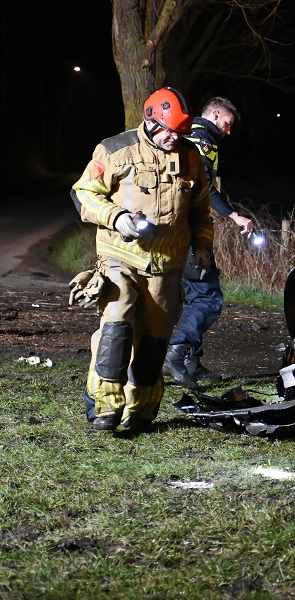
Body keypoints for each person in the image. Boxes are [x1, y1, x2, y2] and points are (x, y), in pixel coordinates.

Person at [71, 86, 214, 433]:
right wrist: (116, 217)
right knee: (117, 327)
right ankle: (105, 408)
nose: (172, 138)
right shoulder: (115, 149)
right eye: (167, 130)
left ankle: (141, 410)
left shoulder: (191, 156)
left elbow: (200, 212)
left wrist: (202, 246)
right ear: (150, 120)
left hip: (167, 264)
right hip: (119, 258)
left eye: (179, 132)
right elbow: (83, 192)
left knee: (154, 339)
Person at [162, 96, 255, 389]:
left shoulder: (196, 138)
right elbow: (202, 187)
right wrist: (235, 216)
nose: (228, 131)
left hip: (184, 229)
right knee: (208, 298)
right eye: (227, 124)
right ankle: (175, 354)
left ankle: (191, 362)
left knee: (195, 296)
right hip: (188, 232)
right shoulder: (200, 140)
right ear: (215, 115)